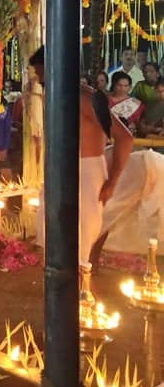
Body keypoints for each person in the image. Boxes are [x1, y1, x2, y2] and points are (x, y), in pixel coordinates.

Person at [28, 46, 132, 266]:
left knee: (80, 241)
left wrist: (112, 182)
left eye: (41, 73)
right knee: (56, 239)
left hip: (85, 174)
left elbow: (124, 137)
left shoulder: (85, 98)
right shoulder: (58, 95)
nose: (38, 79)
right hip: (60, 173)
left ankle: (83, 294)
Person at [138, 79, 164, 145]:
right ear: (154, 90)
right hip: (147, 143)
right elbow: (142, 126)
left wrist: (155, 129)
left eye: (163, 91)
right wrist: (145, 128)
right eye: (159, 91)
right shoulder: (149, 105)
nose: (162, 94)